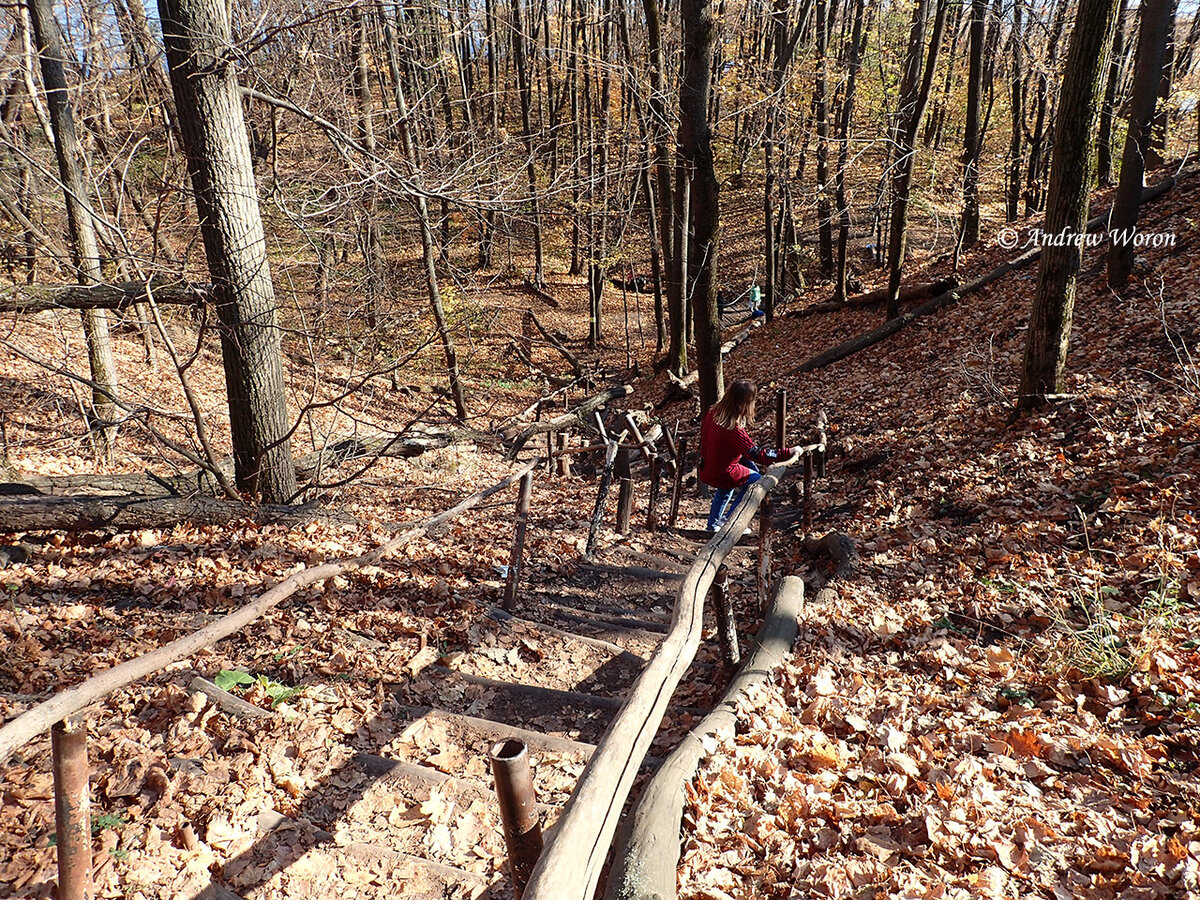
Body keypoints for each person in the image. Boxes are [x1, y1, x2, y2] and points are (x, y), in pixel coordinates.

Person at [698, 380, 797, 532]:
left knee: (726, 489)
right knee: (756, 481)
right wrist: (787, 452)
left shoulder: (712, 413)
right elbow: (758, 454)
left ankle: (713, 524)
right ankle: (732, 521)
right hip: (722, 472)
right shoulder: (734, 430)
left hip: (707, 467)